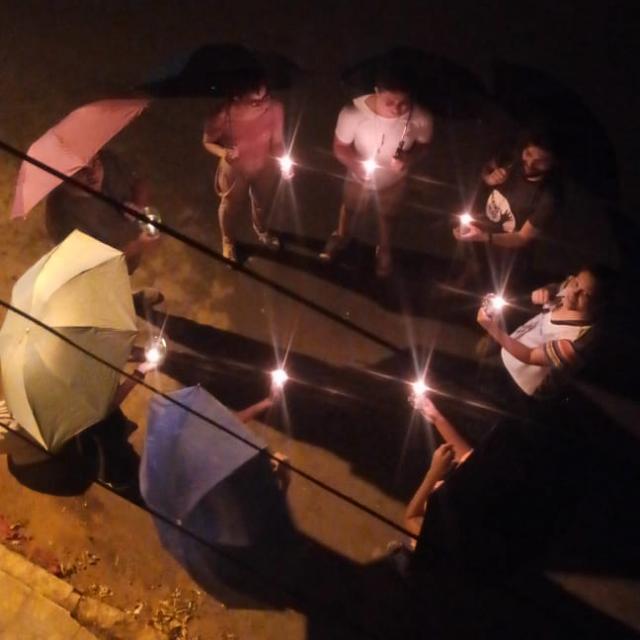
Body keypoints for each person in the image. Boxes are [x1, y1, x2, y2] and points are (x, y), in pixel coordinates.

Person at [319, 73, 433, 277]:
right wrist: (356, 166)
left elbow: (424, 146)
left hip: (394, 180)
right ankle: (341, 235)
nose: (397, 109)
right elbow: (339, 147)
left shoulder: (421, 118)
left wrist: (409, 158)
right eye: (390, 102)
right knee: (350, 206)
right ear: (377, 91)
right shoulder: (353, 113)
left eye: (403, 103)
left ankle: (384, 249)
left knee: (388, 216)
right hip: (357, 178)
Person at [476, 267, 606, 398]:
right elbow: (557, 287)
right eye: (576, 283)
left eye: (585, 294)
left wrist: (492, 328)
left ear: (597, 305)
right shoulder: (568, 289)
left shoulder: (577, 343)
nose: (573, 293)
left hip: (519, 388)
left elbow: (530, 356)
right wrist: (545, 291)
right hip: (508, 354)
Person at [452, 133, 560, 289]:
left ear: (552, 163)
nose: (530, 163)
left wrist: (483, 237)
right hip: (481, 234)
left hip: (510, 257)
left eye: (541, 161)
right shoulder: (511, 159)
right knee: (470, 272)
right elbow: (486, 169)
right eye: (528, 154)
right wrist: (488, 178)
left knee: (499, 291)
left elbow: (522, 237)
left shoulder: (549, 196)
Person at [203, 76, 289, 263]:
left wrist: (284, 162)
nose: (263, 104)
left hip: (265, 166)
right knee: (230, 206)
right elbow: (208, 142)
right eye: (255, 101)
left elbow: (277, 142)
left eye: (266, 96)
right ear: (237, 97)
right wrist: (223, 152)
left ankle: (261, 229)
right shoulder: (222, 116)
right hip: (235, 170)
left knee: (262, 203)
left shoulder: (275, 109)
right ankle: (228, 240)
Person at [45, 149, 158, 275]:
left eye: (95, 163)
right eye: (80, 170)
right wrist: (139, 244)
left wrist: (139, 204)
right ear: (61, 176)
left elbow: (141, 181)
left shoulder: (107, 161)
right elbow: (96, 268)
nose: (93, 173)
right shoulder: (63, 220)